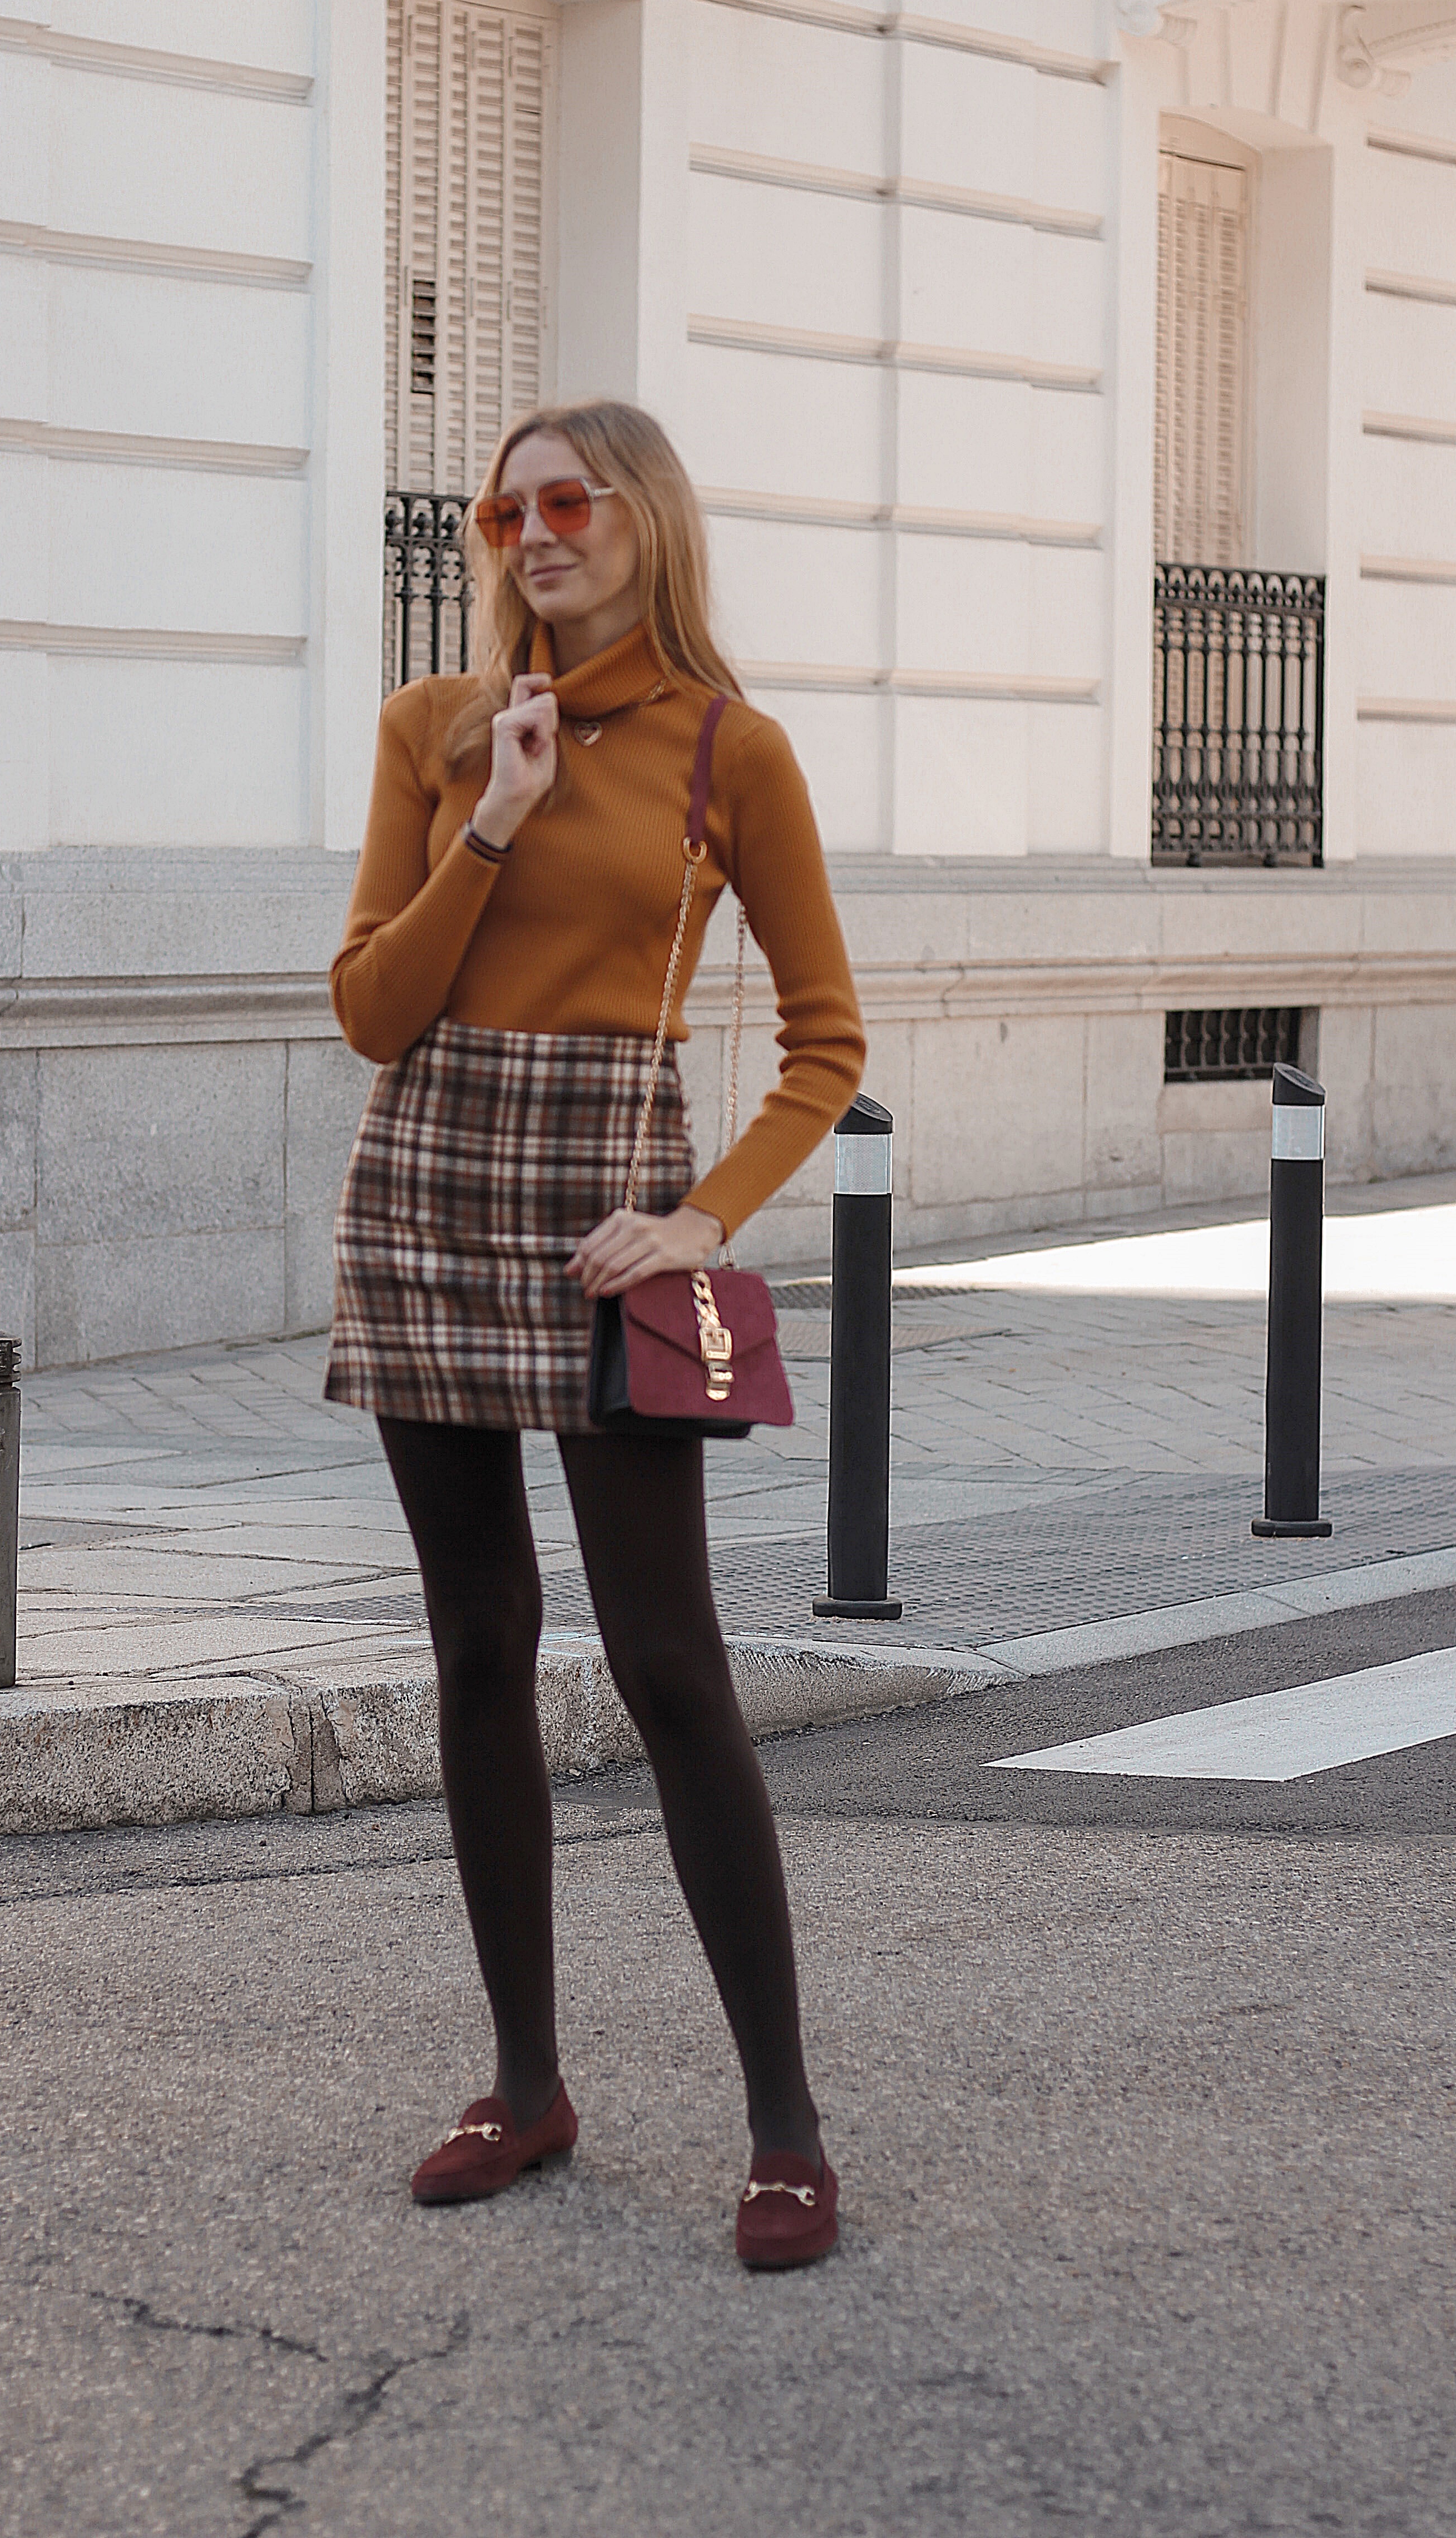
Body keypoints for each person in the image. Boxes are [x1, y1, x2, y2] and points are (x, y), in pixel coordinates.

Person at [326, 398, 866, 2268]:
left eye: (569, 500)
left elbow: (826, 1046)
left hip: (608, 1214)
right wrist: (496, 812)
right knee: (479, 1641)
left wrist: (705, 1218)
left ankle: (785, 2124)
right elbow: (372, 1013)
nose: (533, 530)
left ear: (644, 519)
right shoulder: (433, 731)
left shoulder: (738, 750)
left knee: (671, 1662)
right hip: (424, 1185)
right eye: (508, 507)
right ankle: (527, 2077)